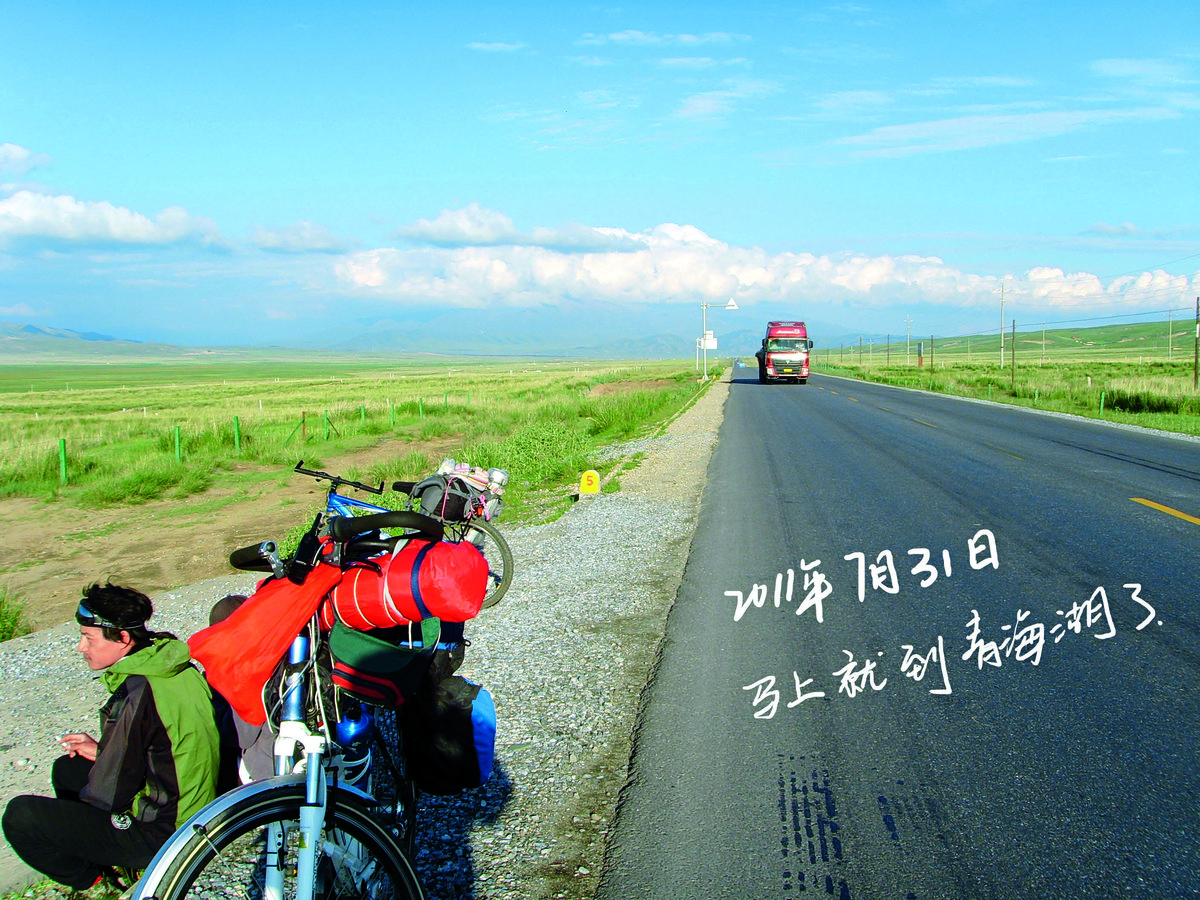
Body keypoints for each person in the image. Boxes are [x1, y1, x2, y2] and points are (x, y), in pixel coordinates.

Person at [1, 582, 221, 893]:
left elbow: (109, 793)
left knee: (20, 817)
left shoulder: (138, 691)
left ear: (123, 639)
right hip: (196, 805)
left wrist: (109, 757)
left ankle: (99, 883)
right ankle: (114, 862)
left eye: (87, 638)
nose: (81, 647)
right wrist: (106, 750)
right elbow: (163, 743)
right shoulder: (175, 667)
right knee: (67, 769)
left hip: (165, 829)